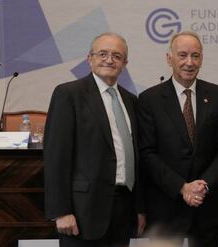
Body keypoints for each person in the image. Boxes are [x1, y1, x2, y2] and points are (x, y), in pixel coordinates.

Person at [44, 32, 145, 247]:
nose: (109, 60)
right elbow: (56, 157)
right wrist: (61, 211)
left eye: (117, 56)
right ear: (90, 58)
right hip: (82, 213)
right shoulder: (69, 95)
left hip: (123, 210)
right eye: (103, 54)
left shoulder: (131, 101)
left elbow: (136, 158)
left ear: (124, 64)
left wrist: (139, 208)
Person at [138, 31, 218, 247]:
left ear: (202, 59)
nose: (189, 62)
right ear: (169, 58)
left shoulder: (217, 95)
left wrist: (203, 186)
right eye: (182, 55)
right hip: (166, 206)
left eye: (195, 56)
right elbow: (147, 153)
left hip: (206, 205)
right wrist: (182, 187)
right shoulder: (149, 99)